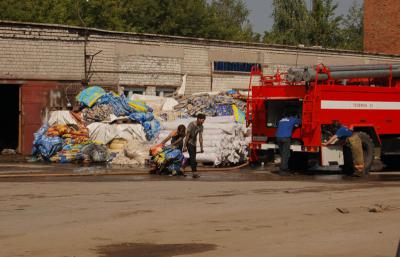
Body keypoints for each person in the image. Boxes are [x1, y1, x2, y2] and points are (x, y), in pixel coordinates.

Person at [183, 113, 206, 178]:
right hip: (189, 142)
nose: (203, 121)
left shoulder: (201, 126)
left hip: (194, 143)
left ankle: (184, 164)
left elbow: (200, 137)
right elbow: (187, 136)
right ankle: (194, 173)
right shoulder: (191, 124)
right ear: (198, 119)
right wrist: (184, 146)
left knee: (192, 158)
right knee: (193, 158)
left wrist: (201, 148)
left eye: (204, 120)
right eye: (202, 120)